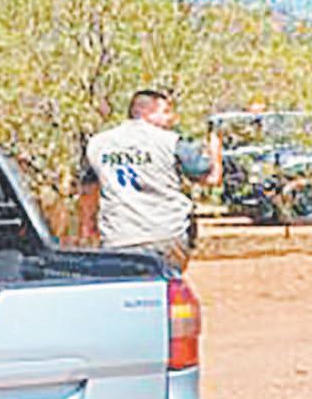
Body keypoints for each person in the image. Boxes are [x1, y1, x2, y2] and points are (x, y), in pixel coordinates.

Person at [80, 90, 223, 274]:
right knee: (165, 284)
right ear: (147, 113)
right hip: (166, 236)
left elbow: (88, 193)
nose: (171, 119)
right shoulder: (171, 142)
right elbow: (211, 178)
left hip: (118, 238)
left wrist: (88, 228)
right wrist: (215, 148)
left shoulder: (97, 144)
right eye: (165, 112)